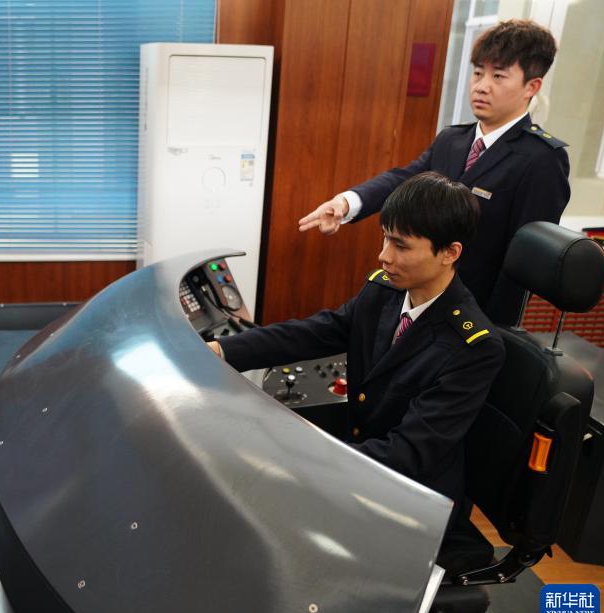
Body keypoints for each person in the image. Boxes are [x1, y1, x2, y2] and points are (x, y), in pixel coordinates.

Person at [212, 172, 505, 525]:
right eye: (385, 238)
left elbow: (408, 453)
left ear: (449, 253)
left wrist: (300, 464)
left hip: (411, 500)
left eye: (401, 246)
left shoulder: (474, 347)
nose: (384, 256)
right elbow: (315, 332)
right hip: (362, 464)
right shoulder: (384, 291)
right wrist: (222, 350)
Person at [298, 19, 569, 326]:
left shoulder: (541, 159)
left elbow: (523, 264)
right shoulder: (452, 140)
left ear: (532, 87)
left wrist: (492, 331)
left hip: (471, 317)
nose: (481, 86)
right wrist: (347, 202)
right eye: (478, 73)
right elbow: (404, 180)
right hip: (417, 302)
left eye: (498, 76)